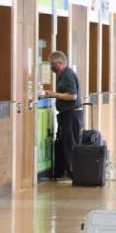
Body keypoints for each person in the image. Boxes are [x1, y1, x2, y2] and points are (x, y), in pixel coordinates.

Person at [43, 51, 83, 181]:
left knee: (70, 144)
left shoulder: (67, 75)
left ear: (60, 63)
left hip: (71, 114)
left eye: (53, 64)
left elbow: (72, 95)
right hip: (68, 114)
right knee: (67, 143)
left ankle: (74, 173)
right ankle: (70, 172)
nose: (51, 67)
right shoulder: (63, 75)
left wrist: (54, 94)